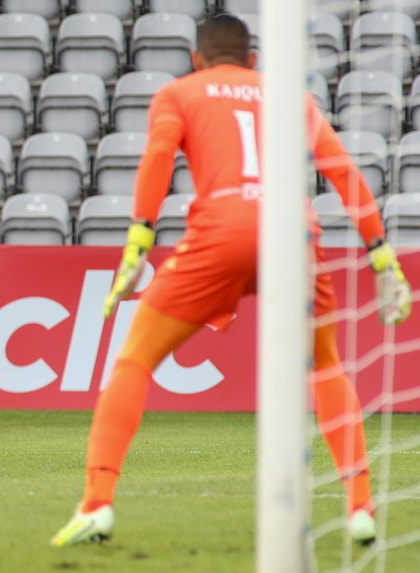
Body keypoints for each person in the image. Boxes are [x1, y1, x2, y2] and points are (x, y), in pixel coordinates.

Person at [50, 14, 412, 547]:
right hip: (293, 235)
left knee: (134, 360)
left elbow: (157, 157)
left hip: (220, 234)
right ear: (253, 61)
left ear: (198, 59)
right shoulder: (288, 94)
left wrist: (139, 240)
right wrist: (381, 256)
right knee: (328, 366)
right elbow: (341, 171)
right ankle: (360, 507)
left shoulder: (180, 91)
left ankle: (97, 504)